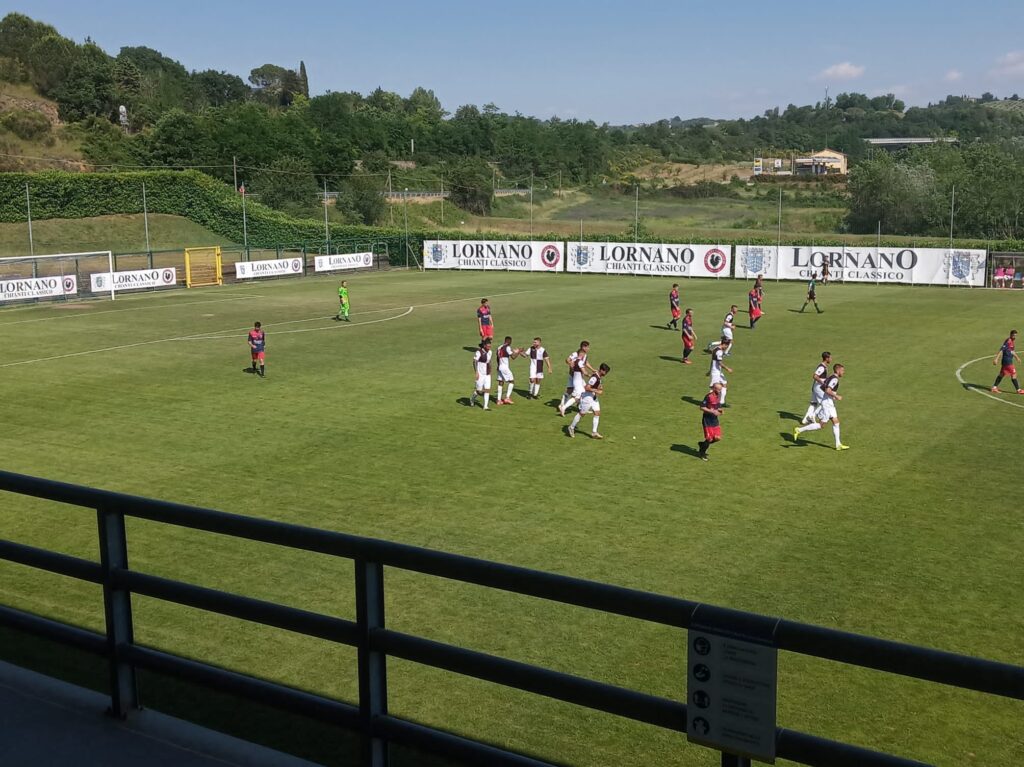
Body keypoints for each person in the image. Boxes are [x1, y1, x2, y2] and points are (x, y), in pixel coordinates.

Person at [794, 364, 849, 450]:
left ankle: (838, 444)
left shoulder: (830, 377)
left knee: (836, 422)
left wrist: (831, 396)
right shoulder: (834, 379)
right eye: (842, 370)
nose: (843, 372)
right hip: (827, 404)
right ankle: (799, 430)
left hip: (829, 403)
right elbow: (827, 390)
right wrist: (836, 396)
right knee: (821, 425)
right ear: (838, 370)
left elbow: (823, 387)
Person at [568, 364, 610, 439]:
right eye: (605, 372)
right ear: (601, 370)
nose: (606, 373)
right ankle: (571, 427)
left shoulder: (599, 377)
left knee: (597, 413)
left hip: (593, 398)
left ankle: (594, 432)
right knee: (582, 414)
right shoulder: (594, 377)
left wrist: (599, 387)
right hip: (587, 398)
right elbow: (587, 387)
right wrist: (597, 390)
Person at [559, 341, 595, 416]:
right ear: (583, 347)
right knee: (571, 391)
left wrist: (592, 369)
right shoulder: (576, 354)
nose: (588, 348)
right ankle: (563, 405)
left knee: (584, 390)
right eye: (587, 347)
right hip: (573, 376)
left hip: (579, 377)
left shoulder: (584, 355)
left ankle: (582, 408)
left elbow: (586, 363)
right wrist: (570, 364)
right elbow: (567, 359)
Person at [801, 351, 832, 424]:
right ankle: (812, 416)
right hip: (819, 388)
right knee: (824, 403)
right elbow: (815, 376)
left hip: (816, 387)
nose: (831, 359)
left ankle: (805, 420)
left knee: (813, 403)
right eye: (830, 358)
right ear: (826, 358)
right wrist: (823, 383)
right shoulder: (822, 367)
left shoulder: (823, 366)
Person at [697, 382, 724, 461]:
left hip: (715, 420)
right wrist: (711, 411)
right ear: (714, 389)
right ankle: (702, 453)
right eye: (719, 389)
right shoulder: (708, 396)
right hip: (707, 420)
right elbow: (701, 407)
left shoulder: (718, 396)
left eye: (720, 389)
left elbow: (717, 406)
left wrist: (720, 410)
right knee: (709, 439)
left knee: (718, 438)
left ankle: (702, 444)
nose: (720, 391)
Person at [991, 330, 1023, 394]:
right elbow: (1001, 349)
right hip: (1007, 361)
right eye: (1013, 335)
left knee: (1002, 374)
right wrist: (996, 359)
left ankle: (994, 388)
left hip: (1007, 361)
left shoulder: (1012, 342)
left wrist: (1017, 358)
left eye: (1015, 336)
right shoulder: (1008, 341)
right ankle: (1018, 390)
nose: (1014, 337)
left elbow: (1012, 351)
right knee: (1014, 374)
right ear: (1010, 334)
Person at [495, 336, 522, 405]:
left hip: (500, 366)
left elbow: (497, 357)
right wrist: (519, 352)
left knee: (501, 382)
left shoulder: (499, 347)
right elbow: (513, 357)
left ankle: (498, 400)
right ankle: (507, 398)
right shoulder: (507, 347)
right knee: (512, 381)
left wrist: (498, 365)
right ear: (509, 341)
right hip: (505, 367)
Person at [708, 338, 732, 407]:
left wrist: (709, 370)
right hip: (716, 372)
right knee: (713, 388)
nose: (726, 348)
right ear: (724, 344)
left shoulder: (715, 349)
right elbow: (719, 363)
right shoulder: (719, 352)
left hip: (718, 371)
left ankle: (721, 402)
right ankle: (709, 402)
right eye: (726, 346)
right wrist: (727, 369)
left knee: (724, 383)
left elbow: (712, 361)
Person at [470, 339, 493, 410]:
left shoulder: (490, 352)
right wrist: (476, 372)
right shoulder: (479, 352)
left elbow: (489, 361)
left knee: (487, 389)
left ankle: (485, 406)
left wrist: (490, 368)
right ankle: (472, 399)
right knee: (479, 391)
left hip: (487, 374)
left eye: (490, 345)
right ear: (484, 345)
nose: (489, 347)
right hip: (480, 374)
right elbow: (474, 361)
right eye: (488, 345)